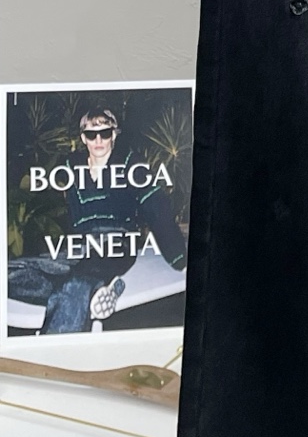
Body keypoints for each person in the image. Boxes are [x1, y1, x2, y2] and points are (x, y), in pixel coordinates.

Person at [7, 105, 186, 334]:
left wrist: (180, 260)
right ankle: (97, 290)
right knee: (10, 273)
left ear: (114, 135)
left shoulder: (131, 163)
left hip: (116, 243)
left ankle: (63, 346)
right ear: (84, 138)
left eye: (105, 133)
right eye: (91, 134)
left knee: (75, 286)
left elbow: (156, 207)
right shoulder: (71, 165)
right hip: (78, 246)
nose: (98, 140)